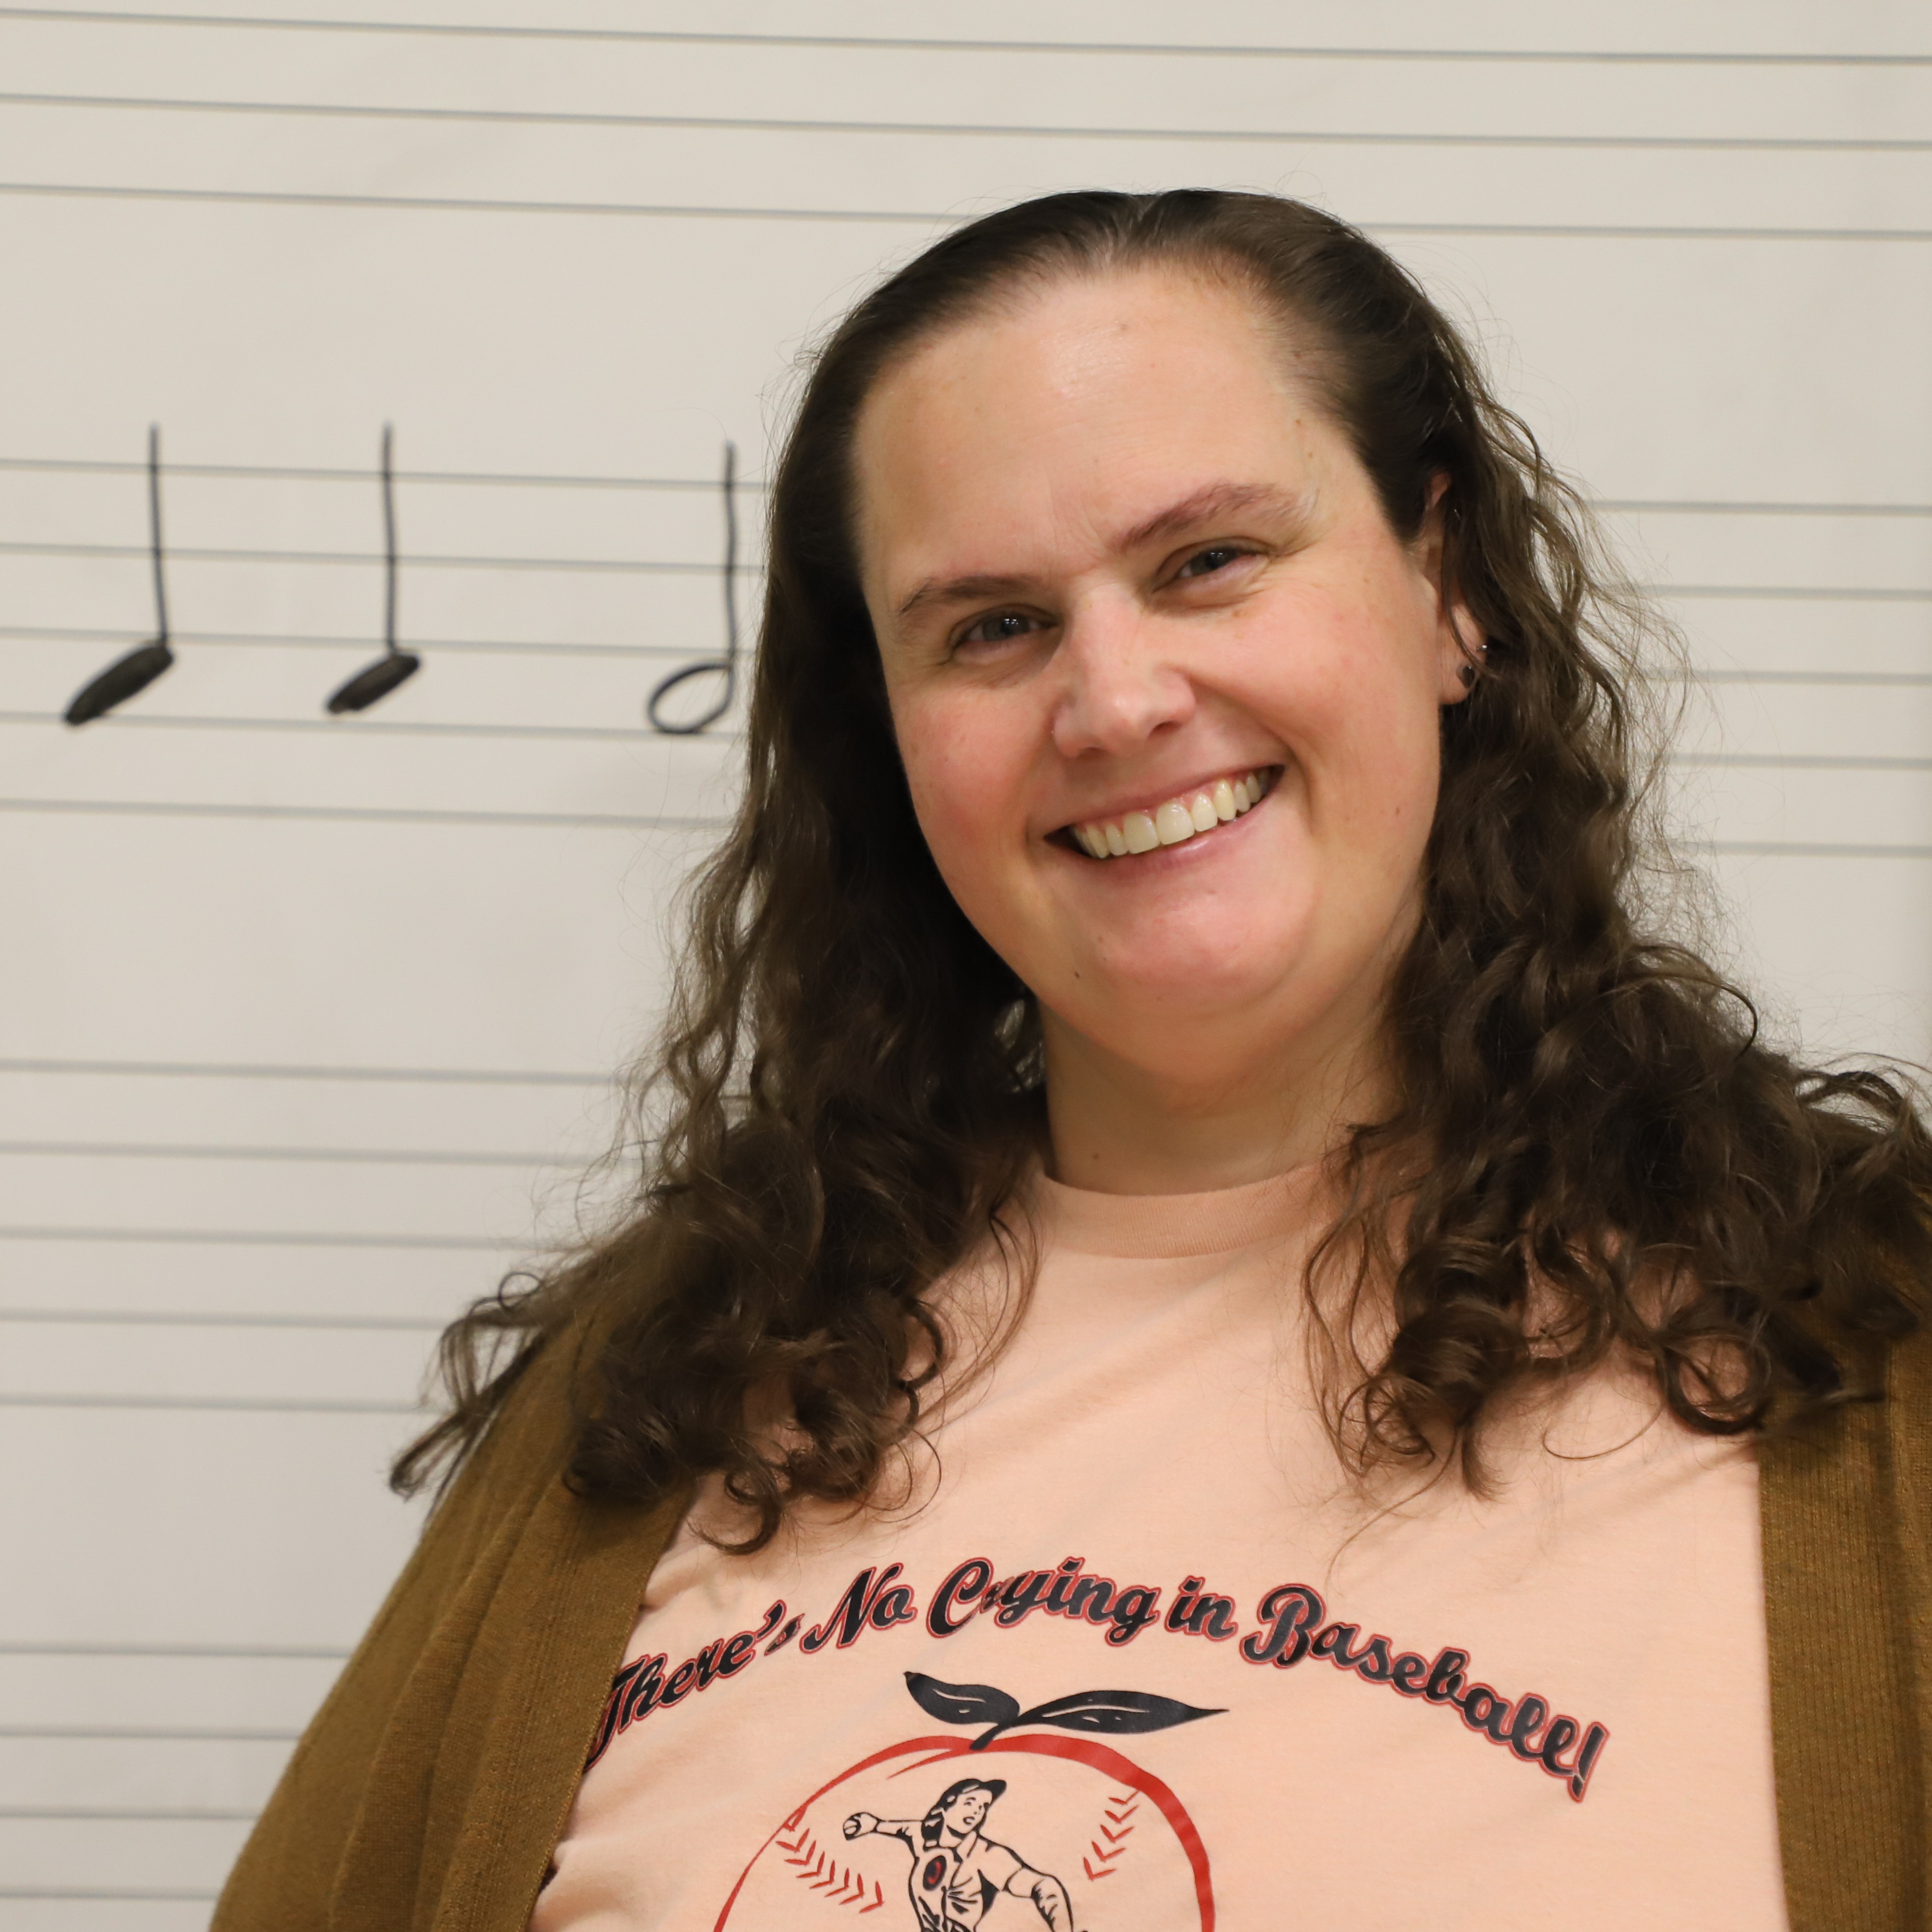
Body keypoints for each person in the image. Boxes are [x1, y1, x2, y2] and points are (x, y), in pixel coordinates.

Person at [211, 190, 1932, 1932]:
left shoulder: (1875, 1356)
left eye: (1208, 563)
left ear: (1446, 587)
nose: (1114, 702)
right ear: (890, 736)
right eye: (990, 627)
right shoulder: (672, 1382)